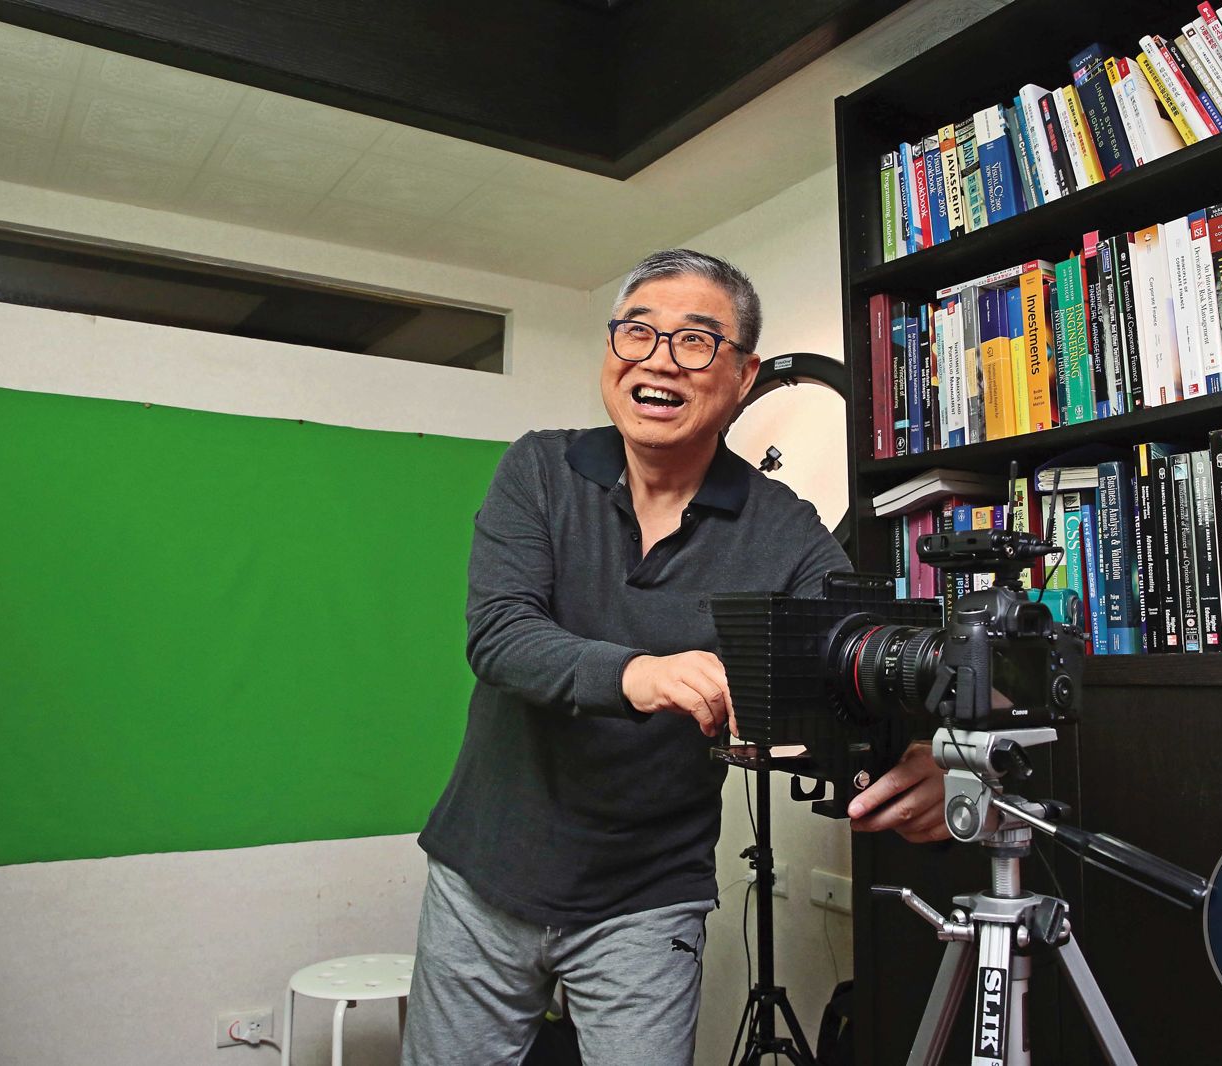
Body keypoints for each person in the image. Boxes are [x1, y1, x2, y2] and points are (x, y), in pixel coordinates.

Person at [402, 248, 945, 1066]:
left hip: (647, 899)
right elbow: (501, 634)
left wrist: (931, 753)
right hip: (485, 874)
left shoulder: (783, 528)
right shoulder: (539, 469)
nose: (658, 361)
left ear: (744, 375)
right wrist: (639, 673)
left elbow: (862, 657)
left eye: (695, 341)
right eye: (637, 332)